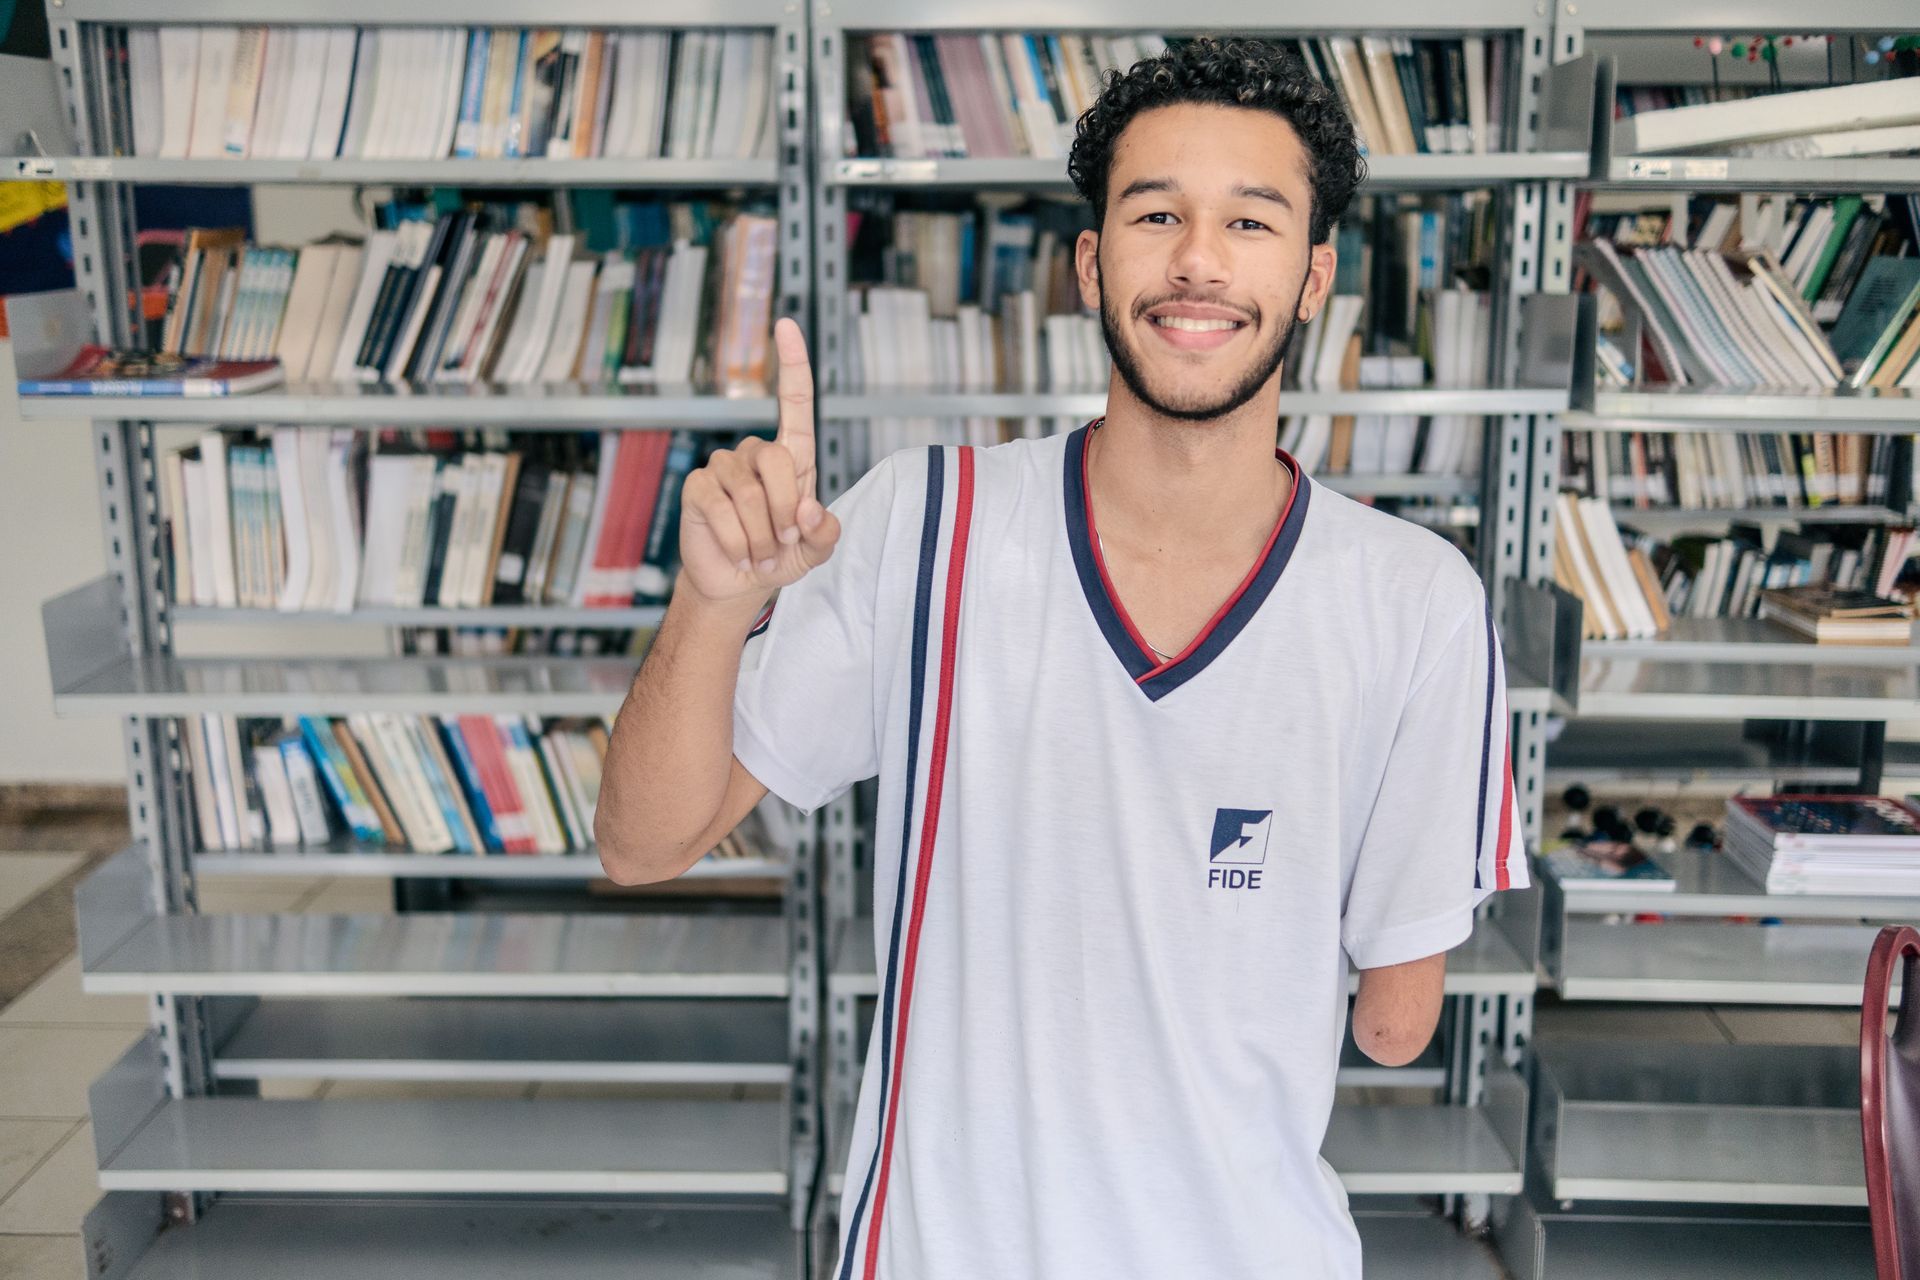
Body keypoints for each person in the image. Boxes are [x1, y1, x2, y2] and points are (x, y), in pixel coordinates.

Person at [597, 35, 1528, 1280]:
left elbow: (1405, 1025)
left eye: (1250, 222)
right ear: (1091, 262)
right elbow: (641, 841)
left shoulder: (1422, 601)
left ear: (1315, 276)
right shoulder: (917, 521)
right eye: (1157, 214)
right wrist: (710, 605)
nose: (1199, 258)